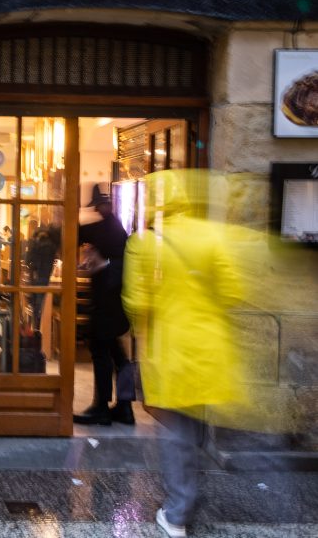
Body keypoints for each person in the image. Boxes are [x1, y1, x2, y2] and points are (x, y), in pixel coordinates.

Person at [122, 170, 247, 538]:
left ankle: (178, 513)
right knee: (192, 426)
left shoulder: (145, 243)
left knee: (176, 431)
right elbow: (233, 292)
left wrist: (142, 326)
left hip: (171, 348)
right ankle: (188, 496)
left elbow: (135, 301)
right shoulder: (210, 235)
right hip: (210, 348)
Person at [74, 183, 133, 426]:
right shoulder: (115, 227)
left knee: (101, 353)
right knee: (119, 356)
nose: (100, 209)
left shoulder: (107, 228)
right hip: (116, 302)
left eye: (100, 205)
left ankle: (101, 407)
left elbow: (78, 233)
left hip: (107, 302)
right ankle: (125, 407)